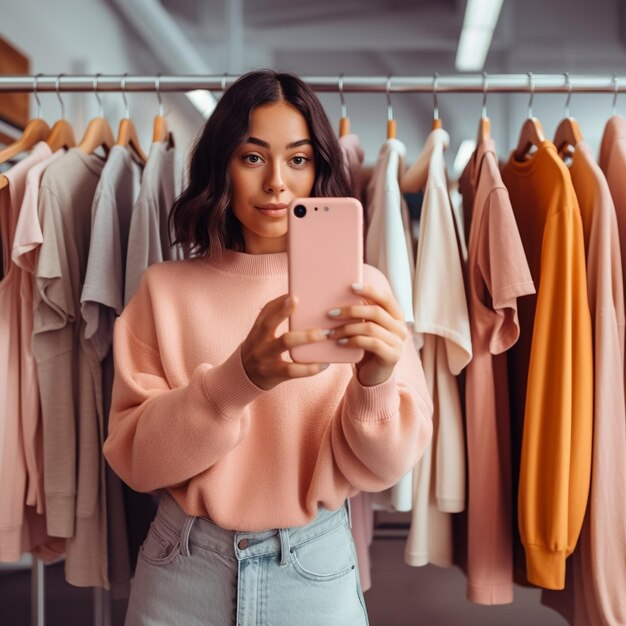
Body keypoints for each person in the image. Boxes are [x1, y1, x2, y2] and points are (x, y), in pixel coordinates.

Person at [103, 69, 433, 626]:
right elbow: (136, 461)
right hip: (184, 565)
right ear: (222, 166)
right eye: (253, 157)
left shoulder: (365, 287)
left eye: (298, 159)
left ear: (319, 169)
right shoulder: (164, 290)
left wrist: (374, 387)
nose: (277, 182)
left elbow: (388, 469)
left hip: (313, 564)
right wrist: (237, 381)